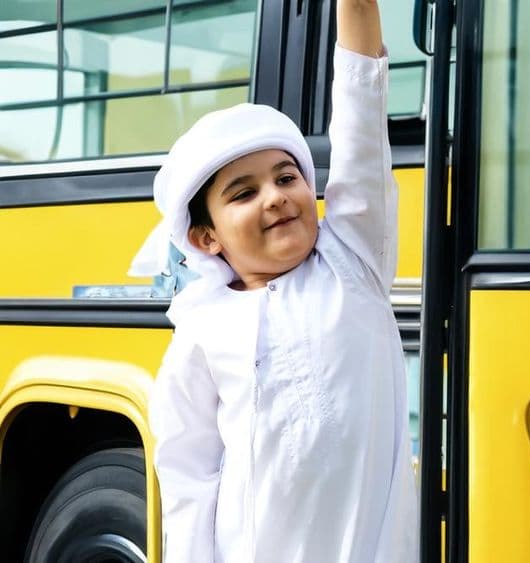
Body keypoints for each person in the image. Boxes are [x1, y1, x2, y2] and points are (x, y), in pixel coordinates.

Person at [128, 1, 419, 561]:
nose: (276, 196)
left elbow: (361, 122)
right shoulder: (201, 332)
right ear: (205, 238)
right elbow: (188, 478)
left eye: (287, 176)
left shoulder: (353, 262)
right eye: (243, 193)